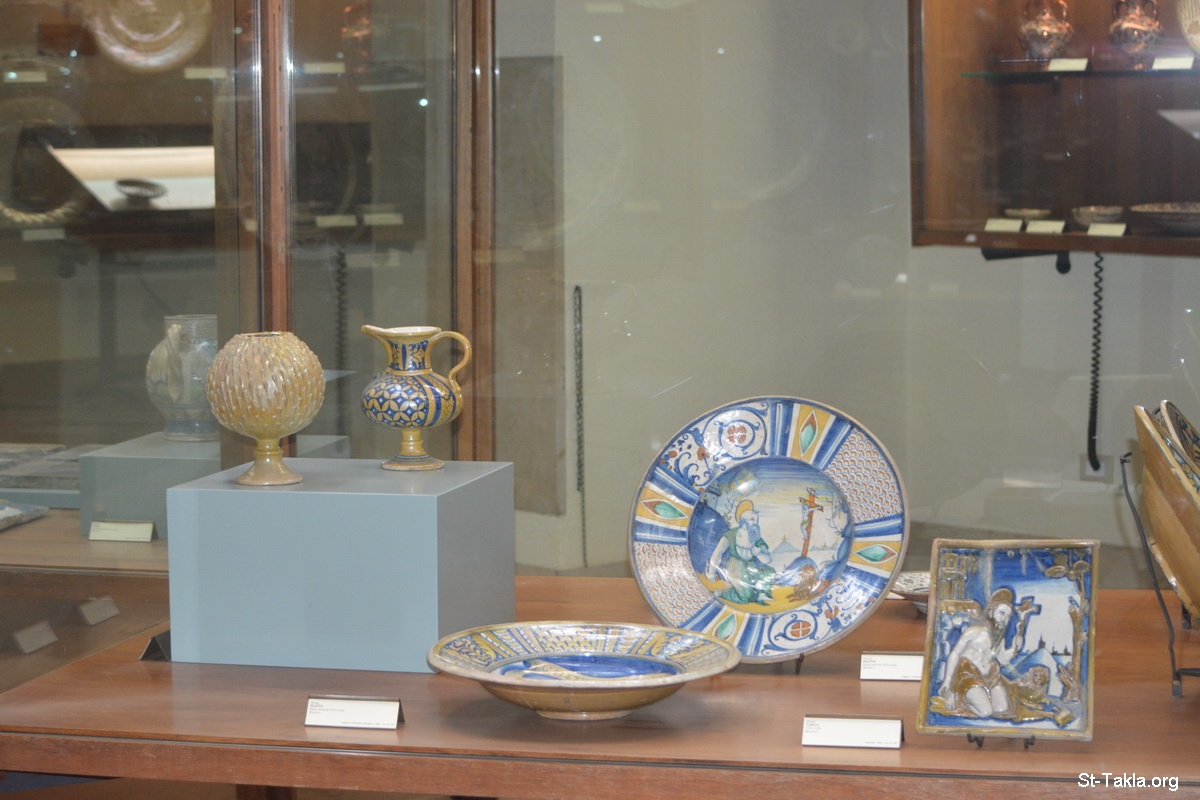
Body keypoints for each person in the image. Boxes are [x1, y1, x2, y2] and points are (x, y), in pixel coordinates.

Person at [934, 588, 1039, 719]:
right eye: (1001, 613)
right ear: (991, 612)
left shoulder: (999, 639)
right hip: (969, 675)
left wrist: (1015, 647)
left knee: (1002, 709)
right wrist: (948, 680)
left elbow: (1002, 659)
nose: (1004, 619)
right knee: (986, 712)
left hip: (990, 676)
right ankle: (958, 699)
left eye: (1007, 617)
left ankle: (979, 698)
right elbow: (955, 654)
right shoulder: (974, 632)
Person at [705, 500, 776, 605]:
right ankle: (723, 593)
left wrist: (758, 553)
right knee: (745, 597)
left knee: (770, 572)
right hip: (736, 566)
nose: (755, 523)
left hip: (751, 567)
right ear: (743, 521)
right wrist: (712, 572)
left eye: (756, 520)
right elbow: (718, 553)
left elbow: (767, 559)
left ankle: (760, 594)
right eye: (752, 520)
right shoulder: (732, 534)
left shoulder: (756, 537)